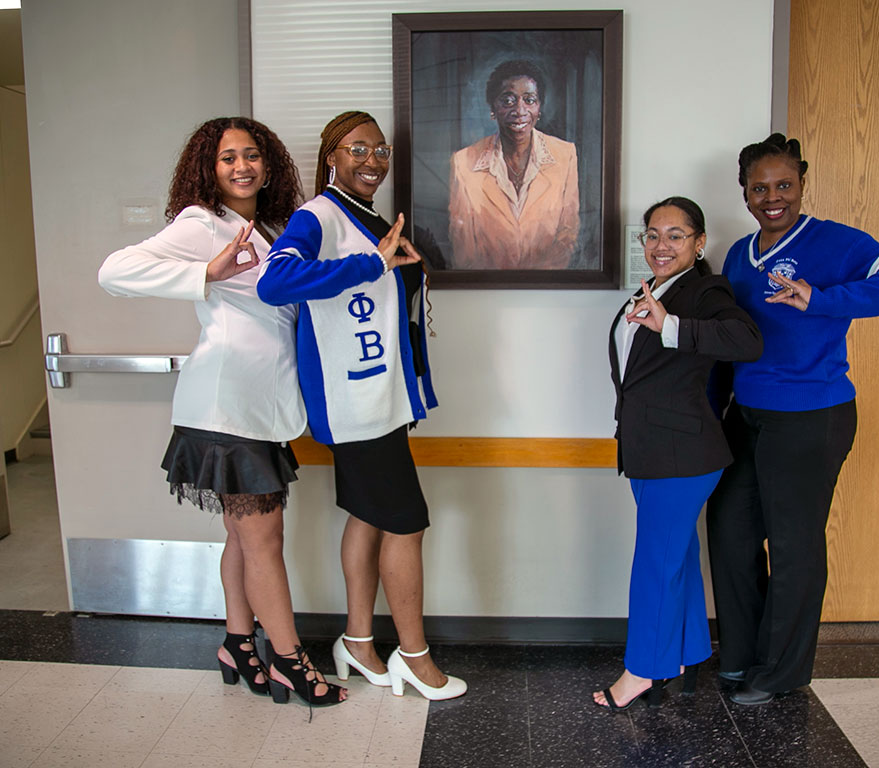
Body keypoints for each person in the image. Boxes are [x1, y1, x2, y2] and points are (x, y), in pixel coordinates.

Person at [97, 117, 345, 710]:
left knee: (242, 535)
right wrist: (205, 273)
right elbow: (114, 272)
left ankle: (238, 642)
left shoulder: (274, 227)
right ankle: (290, 661)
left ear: (268, 162)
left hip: (261, 405)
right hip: (226, 405)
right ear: (209, 168)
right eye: (228, 158)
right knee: (264, 539)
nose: (242, 167)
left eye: (252, 155)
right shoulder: (201, 224)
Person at [707, 133, 879, 705]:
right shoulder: (738, 253)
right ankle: (742, 656)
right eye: (760, 188)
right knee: (731, 533)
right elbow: (730, 341)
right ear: (745, 193)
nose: (773, 197)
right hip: (748, 416)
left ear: (802, 183)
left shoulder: (835, 243)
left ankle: (781, 670)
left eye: (784, 185)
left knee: (793, 544)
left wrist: (821, 298)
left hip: (811, 417)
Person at [257, 110, 466, 701]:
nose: (372, 160)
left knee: (371, 516)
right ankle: (414, 656)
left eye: (380, 151)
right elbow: (276, 283)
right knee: (408, 522)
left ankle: (356, 640)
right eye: (358, 149)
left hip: (380, 399)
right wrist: (373, 264)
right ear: (331, 157)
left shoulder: (368, 217)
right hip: (353, 403)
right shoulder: (317, 216)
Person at [593, 197, 762, 711]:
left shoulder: (704, 290)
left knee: (655, 564)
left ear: (699, 242)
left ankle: (642, 671)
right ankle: (686, 653)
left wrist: (670, 325)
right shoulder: (653, 290)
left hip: (681, 455)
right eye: (651, 234)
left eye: (675, 235)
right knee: (678, 557)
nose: (660, 245)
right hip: (651, 450)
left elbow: (747, 340)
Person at [448, 59, 580, 269]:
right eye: (508, 100)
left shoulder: (565, 155)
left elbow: (568, 233)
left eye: (529, 100)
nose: (520, 110)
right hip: (485, 290)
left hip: (547, 287)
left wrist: (535, 281)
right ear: (493, 108)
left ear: (539, 107)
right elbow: (464, 248)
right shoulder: (464, 162)